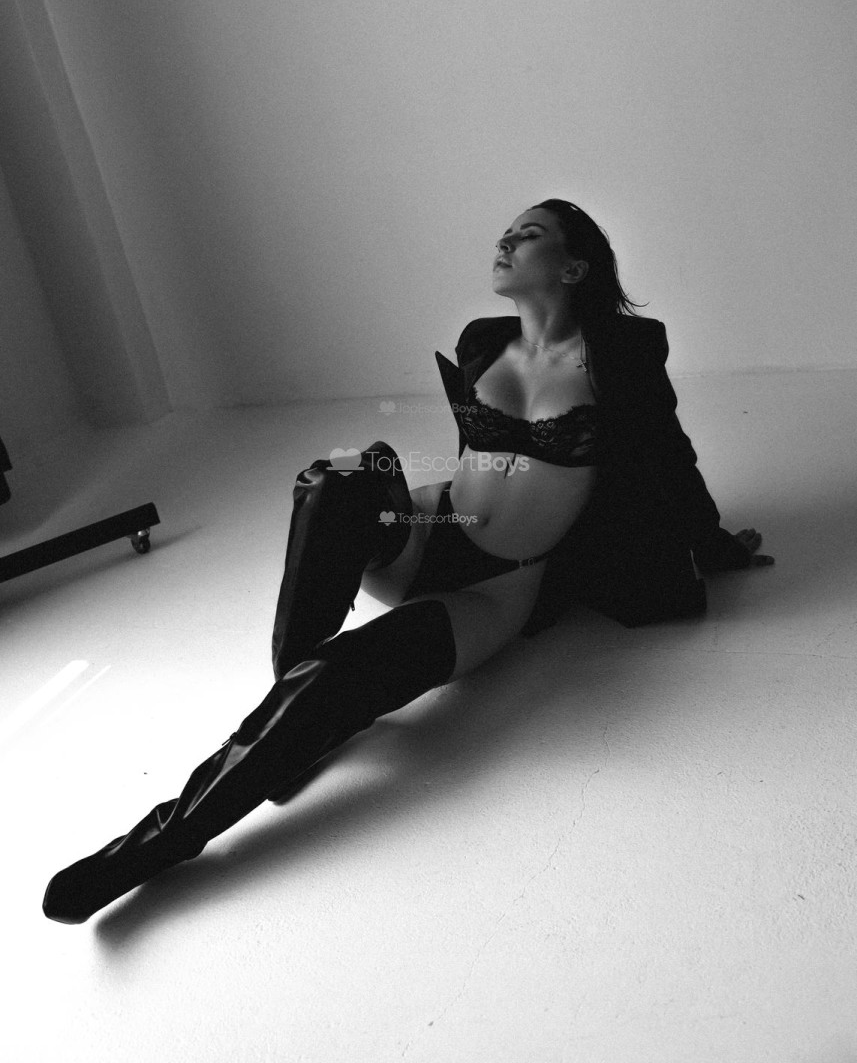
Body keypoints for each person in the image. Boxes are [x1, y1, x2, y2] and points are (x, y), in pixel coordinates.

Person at [42, 198, 773, 924]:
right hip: (429, 527)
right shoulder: (482, 339)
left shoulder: (621, 354)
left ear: (574, 266)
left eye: (528, 235)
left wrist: (709, 544)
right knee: (333, 481)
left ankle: (159, 842)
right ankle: (289, 723)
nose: (505, 241)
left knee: (339, 675)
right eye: (505, 231)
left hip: (495, 588)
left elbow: (668, 455)